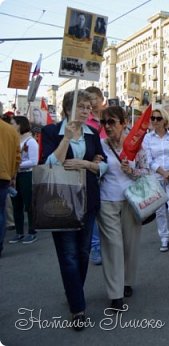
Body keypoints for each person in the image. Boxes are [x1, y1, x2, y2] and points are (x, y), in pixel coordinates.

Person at [40, 90, 107, 330]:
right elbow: (49, 164)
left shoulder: (92, 133)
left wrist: (88, 164)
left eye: (89, 107)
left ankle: (73, 290)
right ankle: (77, 307)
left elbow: (103, 164)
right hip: (61, 201)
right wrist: (66, 139)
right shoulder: (50, 132)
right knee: (68, 255)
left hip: (88, 199)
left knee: (83, 253)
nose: (87, 111)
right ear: (68, 108)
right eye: (82, 107)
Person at [97, 106, 148, 310]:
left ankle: (127, 282)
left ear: (124, 122)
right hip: (106, 201)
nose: (107, 127)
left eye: (112, 122)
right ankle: (115, 293)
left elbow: (146, 172)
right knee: (113, 246)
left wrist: (132, 170)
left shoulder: (136, 145)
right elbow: (96, 171)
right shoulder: (100, 146)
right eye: (104, 122)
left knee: (130, 244)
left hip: (132, 200)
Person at [143, 108, 169, 252]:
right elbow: (148, 159)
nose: (155, 121)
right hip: (156, 177)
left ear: (165, 120)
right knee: (160, 211)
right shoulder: (148, 137)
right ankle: (164, 238)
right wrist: (163, 172)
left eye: (158, 118)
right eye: (153, 118)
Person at [8, 116, 38, 244]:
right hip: (16, 176)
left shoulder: (31, 141)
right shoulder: (15, 139)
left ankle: (32, 231)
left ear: (20, 125)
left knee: (29, 204)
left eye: (13, 123)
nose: (11, 125)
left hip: (27, 175)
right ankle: (19, 232)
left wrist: (16, 164)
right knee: (16, 204)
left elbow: (33, 161)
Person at [85, 86, 106, 265]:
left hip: (111, 170)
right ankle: (95, 247)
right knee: (93, 210)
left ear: (101, 98)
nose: (91, 103)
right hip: (93, 168)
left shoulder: (108, 118)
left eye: (93, 98)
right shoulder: (87, 122)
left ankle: (106, 245)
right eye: (88, 99)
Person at [0, 110, 21, 257]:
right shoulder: (10, 130)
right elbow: (17, 156)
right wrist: (12, 175)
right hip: (4, 176)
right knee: (0, 212)